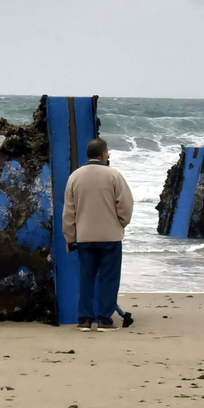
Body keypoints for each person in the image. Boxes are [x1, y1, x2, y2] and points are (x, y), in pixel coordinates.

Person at [63, 137, 134, 331]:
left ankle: (85, 320)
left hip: (85, 238)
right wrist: (121, 224)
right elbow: (126, 205)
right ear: (103, 154)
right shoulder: (114, 175)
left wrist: (70, 237)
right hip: (110, 237)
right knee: (109, 279)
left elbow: (69, 212)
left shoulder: (75, 177)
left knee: (87, 278)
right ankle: (104, 320)